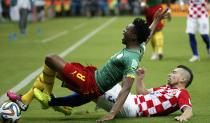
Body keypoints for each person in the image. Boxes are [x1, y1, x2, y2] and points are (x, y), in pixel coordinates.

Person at [7, 8, 169, 122]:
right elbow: (146, 37)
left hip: (90, 83)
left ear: (133, 36)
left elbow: (126, 88)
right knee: (57, 77)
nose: (123, 30)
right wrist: (156, 20)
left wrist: (112, 113)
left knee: (51, 59)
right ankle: (28, 101)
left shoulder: (131, 60)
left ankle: (40, 97)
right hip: (92, 77)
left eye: (127, 29)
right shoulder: (139, 47)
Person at [34, 65, 193, 122]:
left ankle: (55, 75)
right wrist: (140, 78)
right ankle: (52, 102)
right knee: (94, 89)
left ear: (183, 79)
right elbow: (142, 93)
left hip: (132, 108)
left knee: (95, 84)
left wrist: (182, 117)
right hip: (131, 100)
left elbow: (188, 109)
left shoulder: (181, 93)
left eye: (175, 72)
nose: (170, 74)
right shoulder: (166, 88)